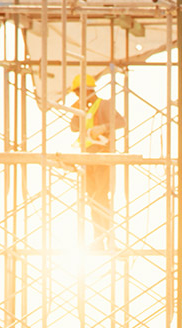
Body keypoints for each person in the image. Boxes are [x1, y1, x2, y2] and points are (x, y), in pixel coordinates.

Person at [67, 73, 125, 248]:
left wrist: (103, 128)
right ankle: (98, 240)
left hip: (102, 155)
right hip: (87, 158)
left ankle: (108, 238)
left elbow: (121, 122)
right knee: (92, 198)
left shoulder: (103, 105)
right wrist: (78, 111)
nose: (78, 96)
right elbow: (73, 127)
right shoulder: (81, 108)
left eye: (79, 92)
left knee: (101, 196)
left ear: (87, 90)